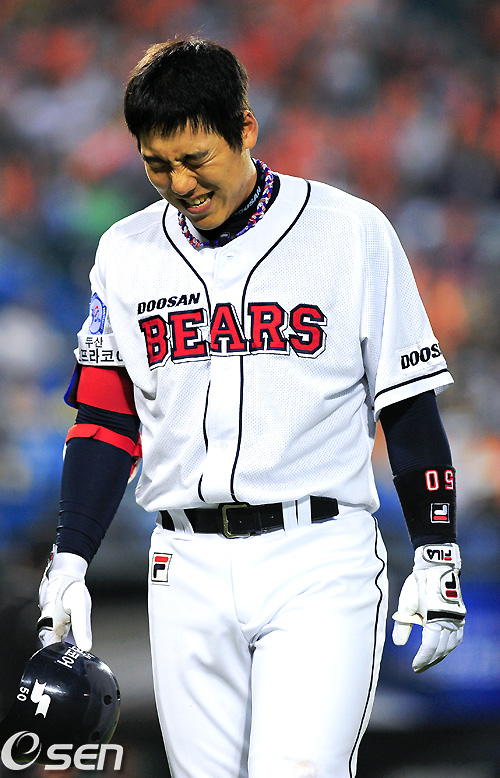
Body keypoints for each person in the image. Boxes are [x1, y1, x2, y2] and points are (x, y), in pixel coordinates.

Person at [37, 38, 466, 778]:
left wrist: (437, 550)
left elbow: (408, 408)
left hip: (318, 556)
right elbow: (105, 421)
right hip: (184, 562)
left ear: (244, 128)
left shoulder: (350, 231)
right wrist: (69, 556)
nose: (179, 183)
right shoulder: (125, 252)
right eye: (156, 164)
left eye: (195, 158)